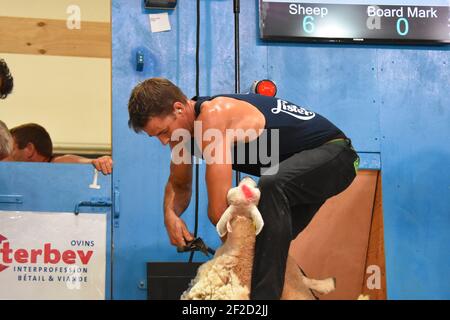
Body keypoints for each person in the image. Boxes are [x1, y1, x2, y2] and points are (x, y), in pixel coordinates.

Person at [127, 77, 359, 300]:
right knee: (261, 243)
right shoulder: (180, 137)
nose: (164, 141)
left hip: (337, 156)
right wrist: (170, 214)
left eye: (163, 132)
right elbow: (179, 185)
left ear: (179, 108)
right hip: (298, 172)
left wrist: (232, 261)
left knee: (271, 186)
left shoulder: (214, 115)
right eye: (156, 136)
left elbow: (218, 211)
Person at [5, 123, 113, 175]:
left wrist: (102, 161)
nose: (6, 156)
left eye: (11, 149)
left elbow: (90, 162)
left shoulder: (57, 163)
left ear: (29, 149)